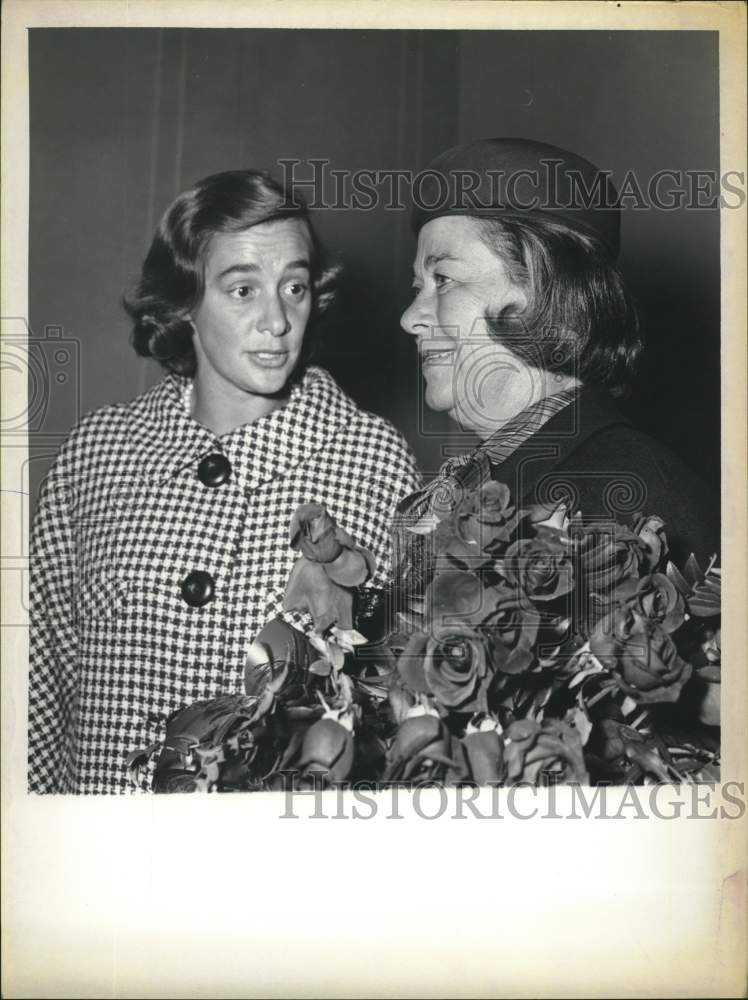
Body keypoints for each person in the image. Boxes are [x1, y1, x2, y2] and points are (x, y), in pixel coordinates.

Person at [28, 169, 420, 794]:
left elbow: (386, 707)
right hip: (98, 859)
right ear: (185, 301)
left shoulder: (373, 459)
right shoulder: (95, 454)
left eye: (294, 286)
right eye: (242, 290)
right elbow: (38, 683)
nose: (277, 320)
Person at [397, 138, 718, 591]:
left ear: (540, 290)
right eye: (418, 287)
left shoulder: (639, 494)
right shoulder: (489, 479)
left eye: (443, 280)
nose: (411, 317)